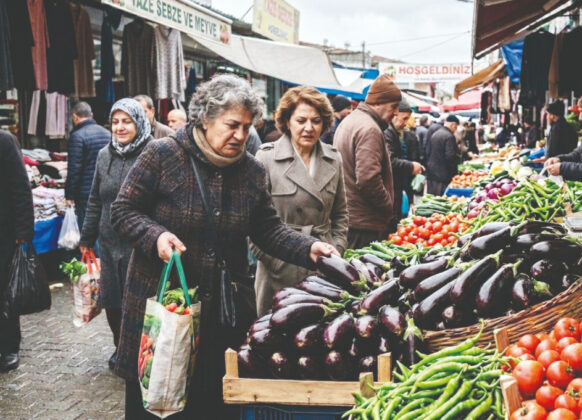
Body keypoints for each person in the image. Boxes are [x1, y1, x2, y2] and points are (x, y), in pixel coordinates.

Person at [111, 74, 339, 418]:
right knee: (157, 397)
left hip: (222, 311)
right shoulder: (163, 154)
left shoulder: (250, 171)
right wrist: (155, 235)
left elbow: (268, 229)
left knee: (212, 401)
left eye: (247, 128)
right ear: (205, 118)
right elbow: (123, 210)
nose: (241, 136)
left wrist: (309, 248)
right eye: (233, 125)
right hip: (165, 305)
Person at [252, 86, 349, 314]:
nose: (308, 128)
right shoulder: (266, 157)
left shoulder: (333, 159)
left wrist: (336, 252)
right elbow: (252, 224)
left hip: (323, 267)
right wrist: (275, 262)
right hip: (278, 267)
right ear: (287, 121)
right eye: (301, 120)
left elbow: (341, 215)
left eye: (316, 121)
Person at [79, 98, 153, 369]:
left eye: (127, 121)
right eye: (115, 122)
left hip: (140, 242)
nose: (120, 128)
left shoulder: (154, 151)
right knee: (112, 300)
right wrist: (86, 238)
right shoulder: (104, 155)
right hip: (109, 243)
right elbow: (95, 199)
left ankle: (141, 351)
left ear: (139, 122)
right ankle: (120, 347)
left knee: (139, 300)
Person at [334, 75, 401, 249]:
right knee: (360, 273)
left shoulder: (350, 121)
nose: (396, 113)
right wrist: (388, 207)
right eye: (393, 107)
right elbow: (368, 178)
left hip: (349, 217)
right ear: (378, 103)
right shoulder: (370, 129)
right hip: (362, 222)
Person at [0, 130, 34, 372]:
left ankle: (9, 346)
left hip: (4, 232)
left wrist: (23, 233)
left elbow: (21, 188)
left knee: (4, 291)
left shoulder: (4, 141)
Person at [65, 101, 111, 228]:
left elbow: (74, 169)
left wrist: (69, 195)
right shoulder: (107, 133)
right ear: (91, 115)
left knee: (88, 229)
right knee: (104, 227)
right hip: (105, 188)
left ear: (75, 116)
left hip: (86, 193)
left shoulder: (77, 137)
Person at [384, 100, 424, 225]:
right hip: (390, 189)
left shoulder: (393, 132)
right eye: (404, 119)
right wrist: (411, 166)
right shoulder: (387, 133)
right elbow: (389, 161)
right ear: (395, 114)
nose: (406, 123)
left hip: (395, 186)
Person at [425, 115, 460, 195]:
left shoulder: (435, 133)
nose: (455, 130)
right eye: (456, 127)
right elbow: (450, 157)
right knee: (441, 198)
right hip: (443, 175)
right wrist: (455, 174)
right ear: (453, 124)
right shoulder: (449, 136)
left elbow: (428, 151)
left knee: (432, 198)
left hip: (432, 172)